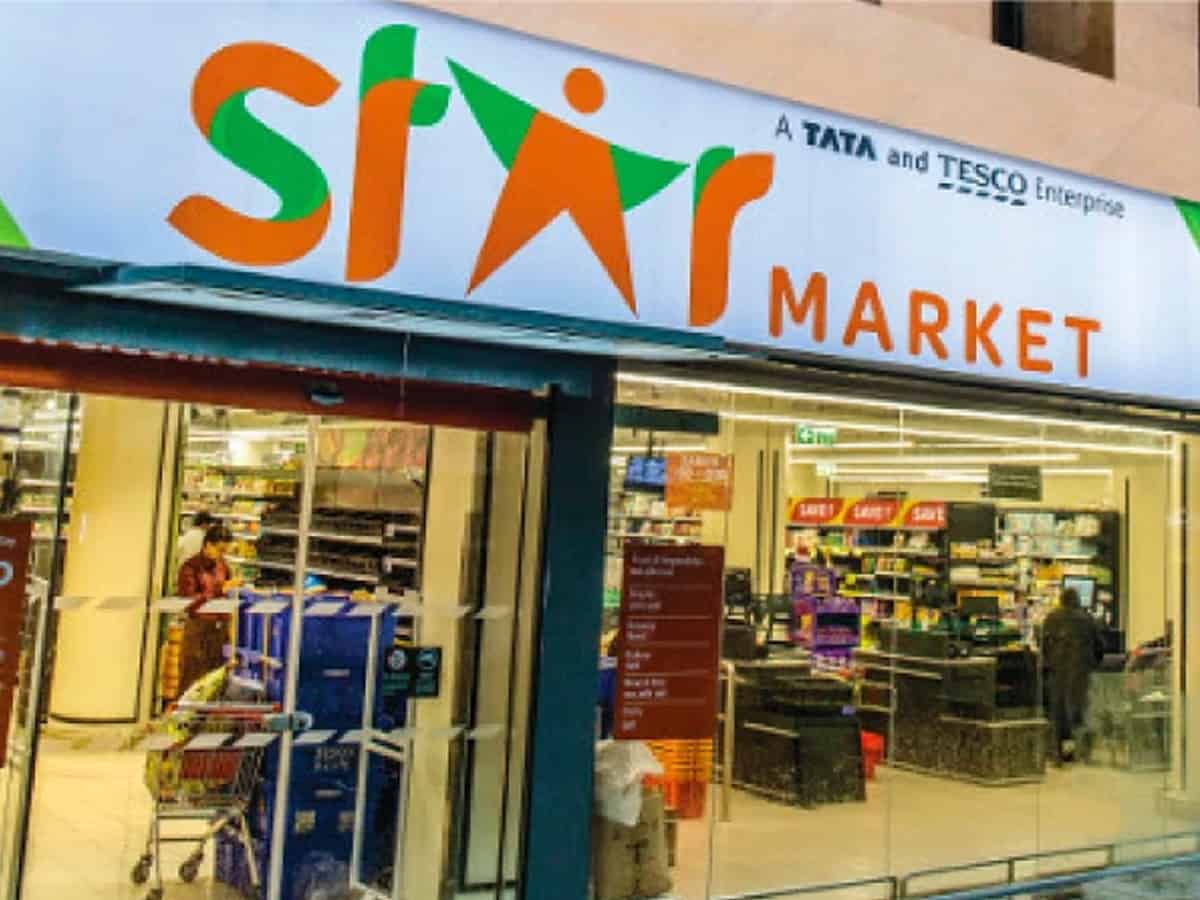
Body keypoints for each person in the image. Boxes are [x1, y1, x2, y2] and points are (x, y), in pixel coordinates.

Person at [1042, 587, 1105, 765]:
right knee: (1081, 711)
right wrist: (1092, 664)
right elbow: (1100, 646)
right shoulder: (1087, 619)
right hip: (1081, 672)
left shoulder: (1051, 618)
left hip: (1058, 672)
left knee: (1059, 713)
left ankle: (1060, 754)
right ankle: (1083, 753)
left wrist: (1049, 663)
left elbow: (1044, 645)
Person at [175, 524, 241, 691]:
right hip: (198, 630)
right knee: (192, 680)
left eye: (225, 551)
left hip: (220, 631)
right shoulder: (190, 568)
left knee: (216, 681)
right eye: (220, 550)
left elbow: (227, 594)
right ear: (208, 544)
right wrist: (219, 590)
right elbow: (189, 602)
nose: (222, 554)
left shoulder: (223, 566)